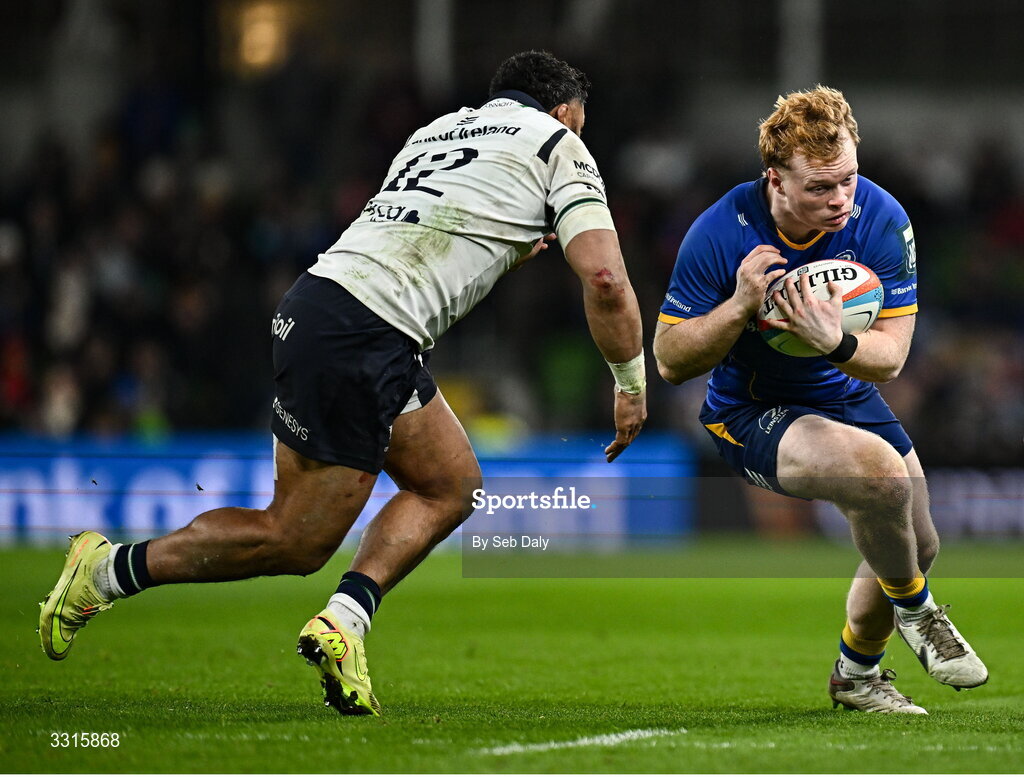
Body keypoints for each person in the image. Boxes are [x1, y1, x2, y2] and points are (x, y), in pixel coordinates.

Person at [38, 50, 647, 716]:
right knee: (294, 538)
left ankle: (344, 622)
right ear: (563, 112)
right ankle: (105, 570)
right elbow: (607, 278)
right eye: (578, 125)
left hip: (325, 302)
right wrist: (630, 381)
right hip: (366, 332)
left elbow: (425, 220)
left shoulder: (437, 132)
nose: (578, 138)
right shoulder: (559, 143)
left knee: (451, 482)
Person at [653, 86, 986, 714]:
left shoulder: (882, 217)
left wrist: (833, 342)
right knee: (883, 481)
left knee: (920, 543)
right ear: (775, 180)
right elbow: (670, 361)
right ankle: (919, 613)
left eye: (849, 181)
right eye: (820, 188)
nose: (840, 201)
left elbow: (888, 359)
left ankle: (856, 677)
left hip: (845, 391)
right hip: (750, 410)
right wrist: (741, 305)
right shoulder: (721, 232)